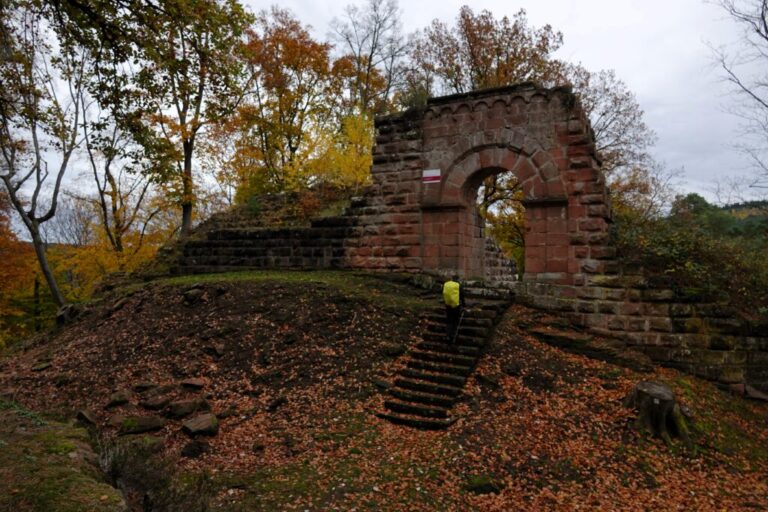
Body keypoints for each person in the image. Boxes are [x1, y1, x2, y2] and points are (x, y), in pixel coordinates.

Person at [442, 274, 465, 343]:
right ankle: (453, 335)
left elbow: (443, 293)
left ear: (452, 278)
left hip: (448, 304)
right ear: (457, 279)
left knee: (449, 319)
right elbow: (462, 295)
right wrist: (463, 304)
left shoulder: (447, 284)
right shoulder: (458, 285)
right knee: (455, 320)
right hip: (456, 305)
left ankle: (447, 335)